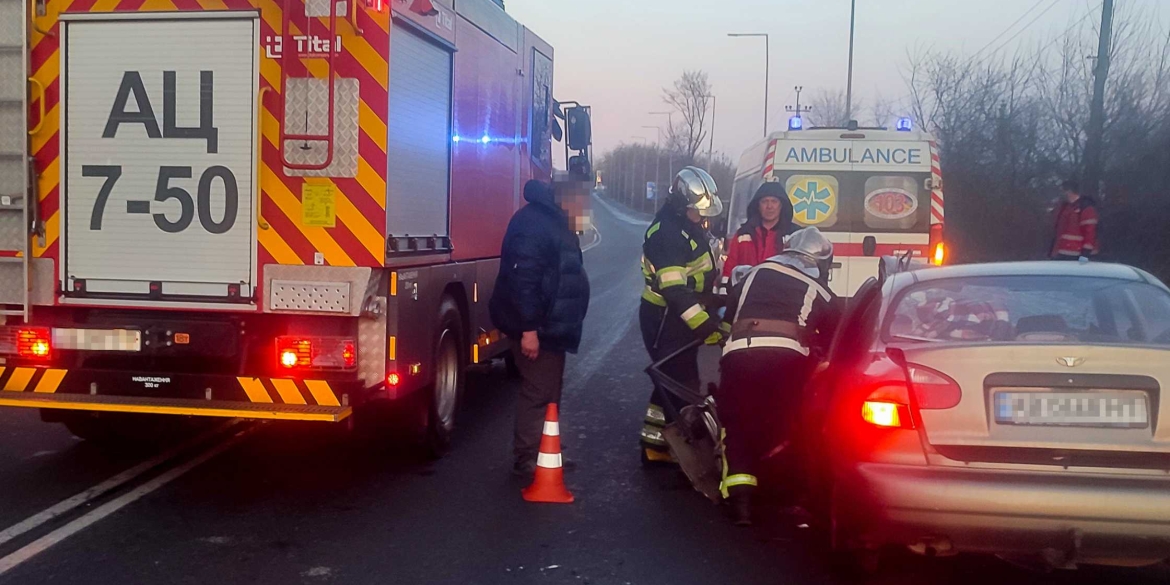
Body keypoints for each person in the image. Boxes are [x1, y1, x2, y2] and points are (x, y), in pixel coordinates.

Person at [717, 227, 841, 526]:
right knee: (787, 423)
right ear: (821, 262)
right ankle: (783, 496)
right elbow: (833, 338)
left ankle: (741, 502)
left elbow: (728, 313)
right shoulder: (821, 290)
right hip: (785, 359)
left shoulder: (753, 273)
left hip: (738, 354)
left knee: (737, 424)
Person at [490, 179, 591, 477]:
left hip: (552, 326)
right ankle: (527, 457)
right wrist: (529, 330)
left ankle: (546, 451)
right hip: (539, 327)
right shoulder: (535, 224)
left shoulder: (553, 221)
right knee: (538, 392)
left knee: (549, 390)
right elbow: (525, 280)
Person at [638, 166, 727, 465]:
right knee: (673, 380)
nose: (703, 217)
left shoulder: (688, 227)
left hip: (680, 313)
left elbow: (695, 278)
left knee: (682, 379)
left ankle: (670, 440)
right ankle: (656, 447)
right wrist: (703, 326)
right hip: (665, 317)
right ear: (680, 205)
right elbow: (675, 291)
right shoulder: (666, 235)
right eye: (696, 211)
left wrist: (715, 305)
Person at [718, 181, 797, 295]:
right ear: (758, 206)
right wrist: (724, 297)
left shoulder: (794, 234)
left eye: (774, 201)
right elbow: (730, 267)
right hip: (746, 296)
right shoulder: (743, 234)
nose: (769, 206)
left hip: (782, 298)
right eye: (764, 201)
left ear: (781, 205)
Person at [1050, 179, 1099, 261]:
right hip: (1064, 254)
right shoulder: (1065, 208)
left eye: (1062, 191)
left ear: (1068, 191)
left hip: (1078, 255)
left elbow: (1090, 233)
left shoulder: (1086, 208)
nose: (1061, 195)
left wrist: (1085, 255)